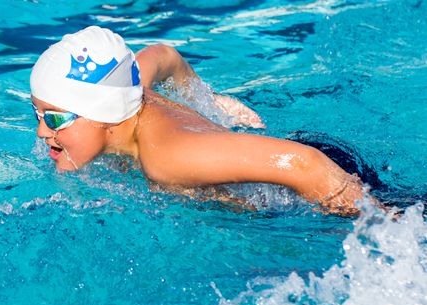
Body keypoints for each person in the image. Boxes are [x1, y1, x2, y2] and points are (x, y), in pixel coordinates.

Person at [30, 26, 364, 216]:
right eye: (39, 114)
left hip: (322, 183)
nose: (42, 130)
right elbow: (162, 55)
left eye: (55, 118)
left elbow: (304, 164)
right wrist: (208, 99)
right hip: (289, 157)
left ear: (105, 114)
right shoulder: (132, 91)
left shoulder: (166, 158)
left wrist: (373, 221)